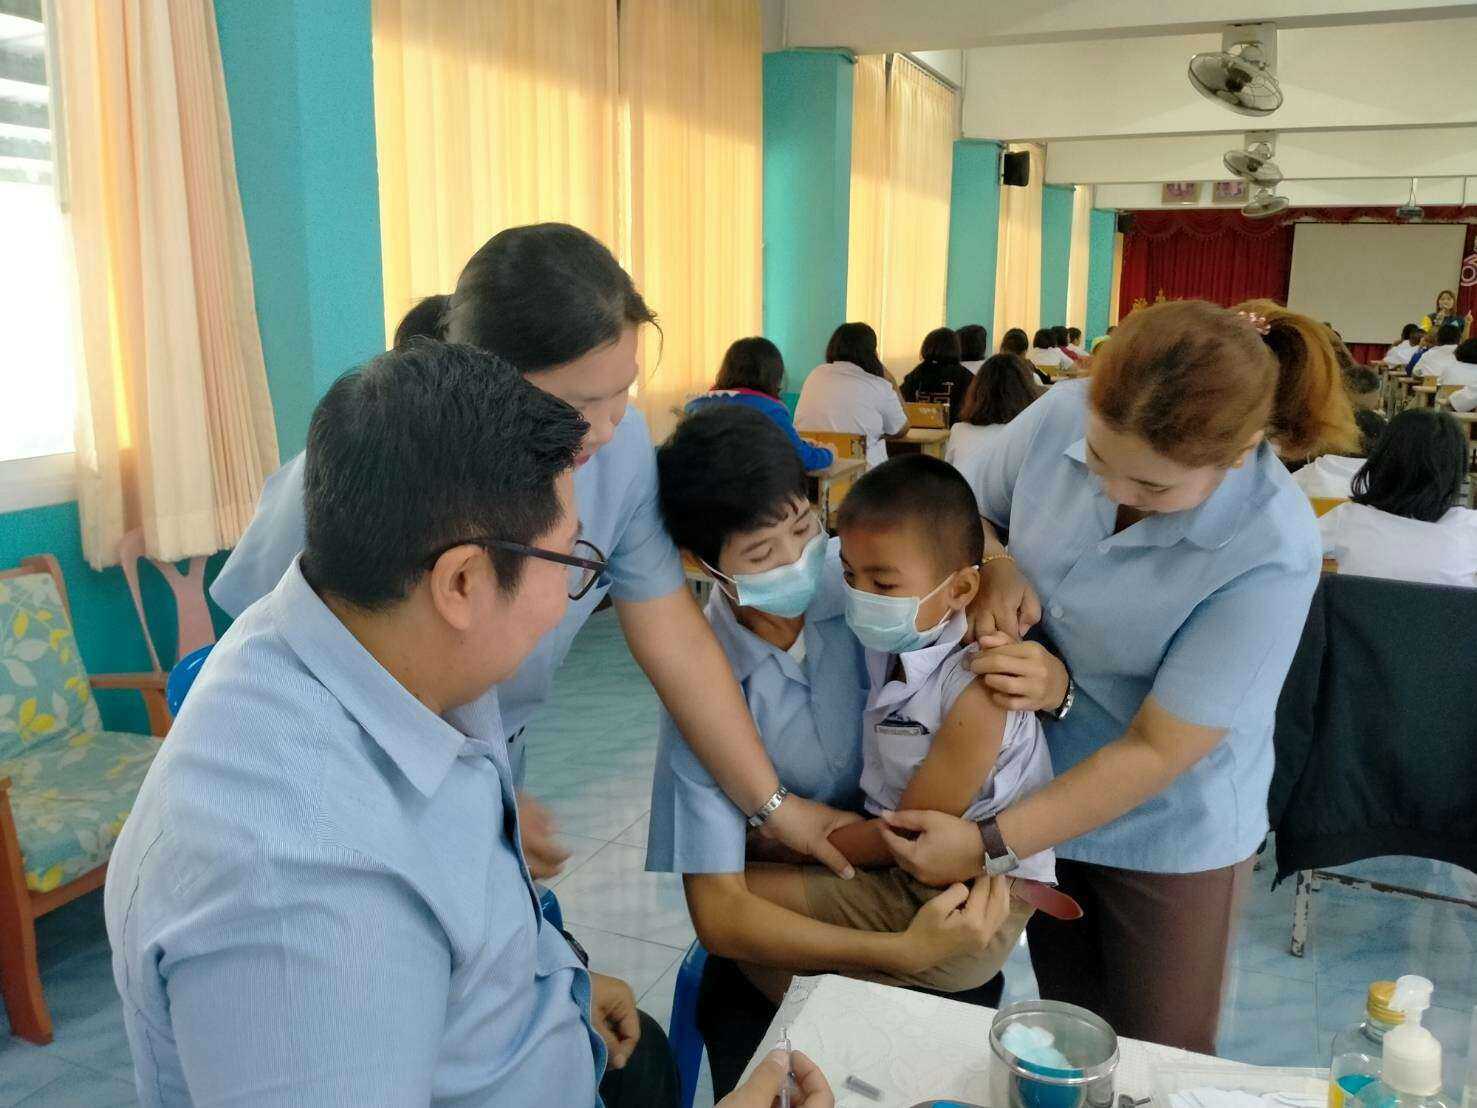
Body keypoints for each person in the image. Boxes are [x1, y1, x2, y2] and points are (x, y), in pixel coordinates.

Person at [106, 342, 686, 1106]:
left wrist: (552, 983)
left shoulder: (378, 645)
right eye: (568, 563)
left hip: (548, 1030)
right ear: (462, 581)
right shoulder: (301, 895)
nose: (566, 600)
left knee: (650, 1057)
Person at [209, 223, 859, 885]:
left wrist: (774, 806)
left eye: (624, 391)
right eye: (579, 404)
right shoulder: (368, 467)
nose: (606, 427)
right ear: (483, 383)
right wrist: (457, 797)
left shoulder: (619, 451)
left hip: (491, 751)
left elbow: (675, 643)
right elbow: (284, 677)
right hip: (359, 777)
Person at [873, 298, 1359, 1055]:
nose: (1111, 492)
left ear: (1239, 454)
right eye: (1097, 460)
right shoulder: (1062, 413)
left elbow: (1159, 749)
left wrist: (986, 844)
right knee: (1071, 1034)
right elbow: (963, 510)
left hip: (1168, 828)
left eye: (1152, 489)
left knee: (1153, 1057)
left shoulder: (1271, 547)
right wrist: (995, 562)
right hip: (1037, 784)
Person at [649, 406, 1012, 1097]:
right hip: (819, 933)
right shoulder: (699, 682)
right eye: (762, 554)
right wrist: (895, 953)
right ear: (702, 564)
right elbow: (721, 911)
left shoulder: (869, 586)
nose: (798, 562)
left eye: (803, 529)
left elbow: (946, 535)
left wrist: (1003, 570)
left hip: (926, 881)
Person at [735, 455, 1057, 1002]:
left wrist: (789, 842)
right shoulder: (900, 637)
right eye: (849, 576)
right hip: (909, 869)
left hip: (962, 902)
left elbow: (909, 834)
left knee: (742, 896)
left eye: (882, 583)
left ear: (960, 590)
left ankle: (819, 1024)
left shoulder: (980, 688)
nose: (860, 596)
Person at [1318, 408, 1477, 587]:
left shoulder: (1346, 518)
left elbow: (1297, 551)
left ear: (1382, 459)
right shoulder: (1471, 528)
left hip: (1364, 605)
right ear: (1458, 471)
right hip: (1446, 607)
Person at [686, 336, 836, 470]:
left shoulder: (696, 406)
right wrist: (829, 453)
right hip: (748, 490)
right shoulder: (770, 410)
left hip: (698, 489)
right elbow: (800, 458)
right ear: (773, 374)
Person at [795, 322, 909, 468]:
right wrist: (890, 379)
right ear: (872, 353)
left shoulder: (815, 375)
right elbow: (902, 428)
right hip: (861, 473)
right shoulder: (878, 386)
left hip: (813, 467)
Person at [946, 354, 1042, 492]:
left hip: (964, 501)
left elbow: (950, 474)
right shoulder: (1028, 434)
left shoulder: (959, 430)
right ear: (1026, 391)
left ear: (977, 391)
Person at [901, 327, 975, 424]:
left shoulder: (918, 372)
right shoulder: (965, 376)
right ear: (956, 348)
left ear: (926, 347)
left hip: (920, 429)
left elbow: (901, 399)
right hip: (954, 430)